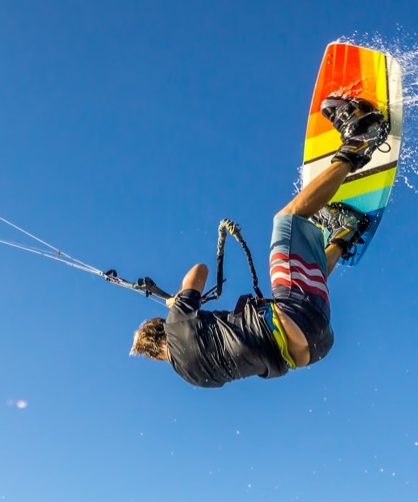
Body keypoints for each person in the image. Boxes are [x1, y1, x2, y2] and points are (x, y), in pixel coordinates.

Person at [131, 96, 387, 387]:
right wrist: (178, 301)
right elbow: (199, 272)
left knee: (297, 279)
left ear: (156, 357)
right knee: (287, 219)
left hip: (314, 347)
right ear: (160, 327)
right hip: (297, 315)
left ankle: (344, 235)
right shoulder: (176, 325)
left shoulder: (194, 378)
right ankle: (358, 141)